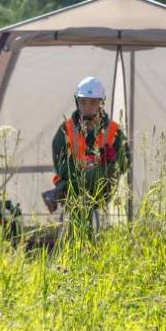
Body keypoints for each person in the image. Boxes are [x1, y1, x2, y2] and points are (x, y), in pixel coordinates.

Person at [50, 76, 128, 227]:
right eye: (83, 102)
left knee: (101, 173)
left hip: (102, 191)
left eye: (93, 102)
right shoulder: (65, 130)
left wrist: (108, 165)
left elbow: (124, 163)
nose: (87, 107)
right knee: (77, 206)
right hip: (72, 189)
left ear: (101, 103)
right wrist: (85, 167)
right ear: (77, 102)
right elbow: (60, 166)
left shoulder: (113, 131)